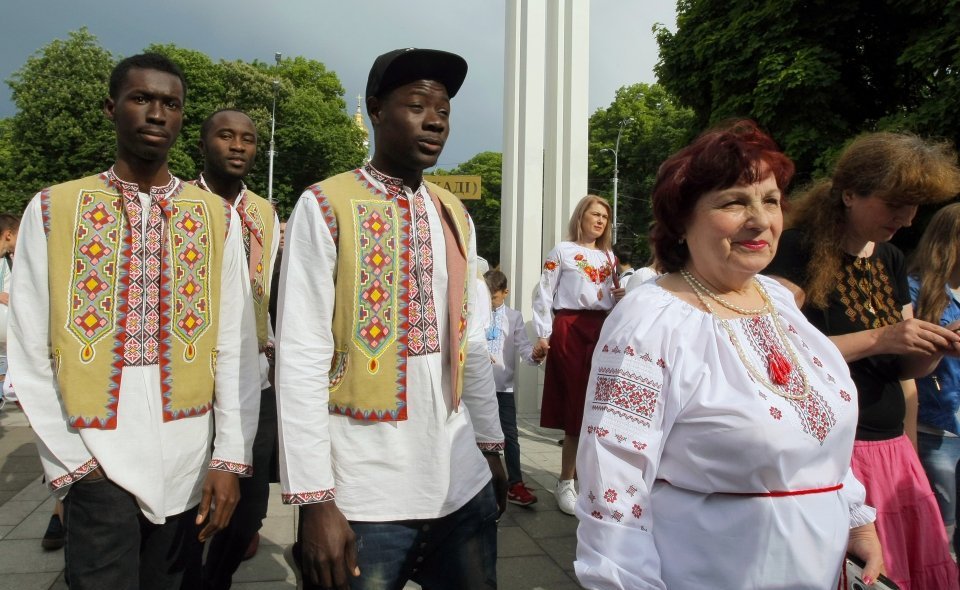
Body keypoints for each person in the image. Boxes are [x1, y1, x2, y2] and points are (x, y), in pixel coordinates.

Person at [575, 120, 884, 589]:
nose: (760, 220)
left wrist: (856, 518)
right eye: (734, 202)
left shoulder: (777, 299)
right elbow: (612, 483)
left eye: (771, 200)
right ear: (682, 221)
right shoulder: (650, 320)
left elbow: (820, 436)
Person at [6, 53, 259, 588]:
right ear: (111, 108)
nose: (157, 113)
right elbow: (27, 345)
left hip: (190, 465)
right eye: (141, 99)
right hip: (96, 461)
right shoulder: (54, 209)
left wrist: (229, 459)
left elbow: (236, 345)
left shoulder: (215, 217)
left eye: (171, 104)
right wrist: (75, 465)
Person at [274, 48, 505, 590]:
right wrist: (314, 499)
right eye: (417, 106)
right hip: (364, 499)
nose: (434, 121)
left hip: (460, 486)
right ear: (376, 110)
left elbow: (469, 343)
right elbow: (301, 355)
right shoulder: (325, 204)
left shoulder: (454, 212)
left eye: (443, 111)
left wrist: (491, 447)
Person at [766, 131, 960, 590]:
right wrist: (880, 337)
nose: (907, 219)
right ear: (850, 193)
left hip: (891, 451)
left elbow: (904, 371)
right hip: (833, 452)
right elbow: (775, 354)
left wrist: (935, 347)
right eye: (895, 205)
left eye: (914, 207)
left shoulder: (890, 258)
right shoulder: (797, 249)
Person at [193, 108, 281, 588]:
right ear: (203, 144)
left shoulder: (265, 213)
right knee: (189, 500)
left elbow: (269, 290)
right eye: (226, 136)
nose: (238, 146)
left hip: (255, 379)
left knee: (249, 508)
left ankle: (216, 578)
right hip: (194, 377)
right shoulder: (183, 205)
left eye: (247, 139)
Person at [531, 195, 624, 515]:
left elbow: (609, 299)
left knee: (598, 407)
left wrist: (620, 298)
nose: (600, 221)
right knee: (575, 407)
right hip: (570, 328)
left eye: (605, 217)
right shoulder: (562, 251)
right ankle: (565, 481)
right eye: (595, 214)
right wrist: (543, 334)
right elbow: (544, 292)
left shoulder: (610, 257)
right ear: (581, 216)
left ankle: (590, 480)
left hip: (601, 330)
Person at [906, 203, 960, 560]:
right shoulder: (916, 290)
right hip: (936, 429)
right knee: (942, 527)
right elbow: (902, 363)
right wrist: (943, 342)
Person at [484, 268, 543, 506]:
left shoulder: (514, 317)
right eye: (486, 297)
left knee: (510, 436)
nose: (490, 302)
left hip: (503, 389)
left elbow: (524, 348)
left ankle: (515, 484)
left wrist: (535, 355)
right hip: (478, 388)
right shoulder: (475, 314)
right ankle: (480, 484)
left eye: (494, 297)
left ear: (505, 293)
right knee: (475, 436)